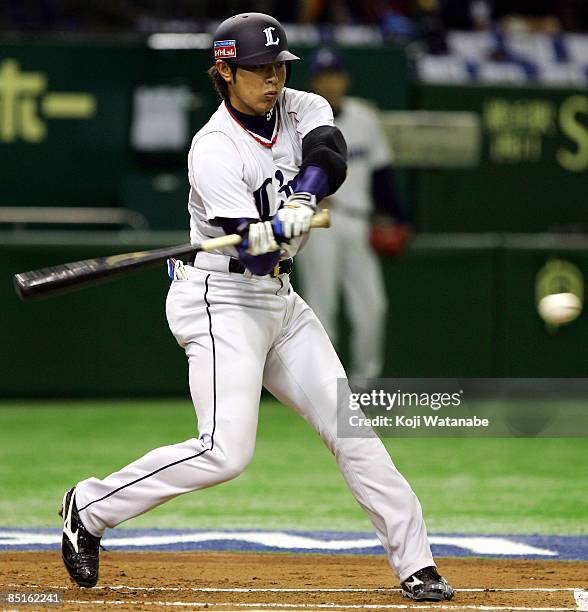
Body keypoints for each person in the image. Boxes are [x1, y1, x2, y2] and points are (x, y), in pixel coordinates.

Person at [59, 12, 453, 602]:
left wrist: (304, 195)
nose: (272, 78)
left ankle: (415, 563)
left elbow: (329, 153)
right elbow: (249, 253)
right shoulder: (213, 149)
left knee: (352, 427)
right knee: (225, 452)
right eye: (257, 69)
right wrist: (270, 230)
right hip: (221, 299)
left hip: (279, 299)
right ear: (225, 71)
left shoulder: (300, 105)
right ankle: (90, 506)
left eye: (277, 66)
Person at [297, 48, 412, 380]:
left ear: (344, 79)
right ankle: (324, 387)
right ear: (314, 82)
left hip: (358, 221)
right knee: (321, 311)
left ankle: (365, 384)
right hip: (317, 221)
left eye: (334, 76)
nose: (330, 83)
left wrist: (398, 216)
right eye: (323, 77)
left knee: (372, 307)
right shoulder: (301, 120)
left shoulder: (364, 117)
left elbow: (381, 174)